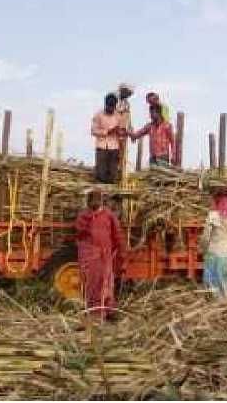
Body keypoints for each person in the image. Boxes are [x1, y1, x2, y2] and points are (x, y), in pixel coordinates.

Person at [74, 188, 126, 322]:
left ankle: (109, 310)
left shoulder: (109, 215)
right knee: (92, 285)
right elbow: (80, 234)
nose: (94, 203)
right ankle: (95, 314)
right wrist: (90, 220)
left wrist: (120, 251)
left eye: (97, 200)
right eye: (92, 201)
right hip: (90, 256)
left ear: (101, 201)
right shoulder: (83, 216)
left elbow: (117, 234)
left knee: (107, 283)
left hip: (105, 254)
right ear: (88, 202)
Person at [200, 186, 227, 298]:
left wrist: (202, 248)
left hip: (214, 253)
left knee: (211, 284)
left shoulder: (213, 216)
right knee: (225, 282)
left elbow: (206, 237)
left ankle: (214, 306)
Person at [91, 93, 126, 183]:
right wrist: (108, 131)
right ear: (105, 104)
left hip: (114, 147)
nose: (110, 109)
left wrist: (120, 132)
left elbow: (122, 131)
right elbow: (94, 131)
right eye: (109, 106)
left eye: (112, 107)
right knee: (101, 174)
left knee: (113, 174)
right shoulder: (98, 115)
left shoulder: (118, 116)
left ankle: (110, 194)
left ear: (115, 106)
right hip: (102, 147)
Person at [130, 103, 175, 167]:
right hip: (153, 157)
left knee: (162, 175)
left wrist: (173, 155)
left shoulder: (167, 126)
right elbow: (137, 134)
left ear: (158, 113)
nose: (150, 115)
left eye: (152, 113)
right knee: (153, 176)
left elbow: (173, 141)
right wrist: (129, 133)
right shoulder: (149, 126)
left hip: (163, 156)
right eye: (150, 113)